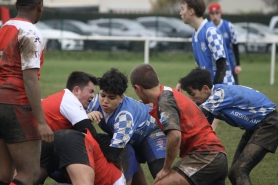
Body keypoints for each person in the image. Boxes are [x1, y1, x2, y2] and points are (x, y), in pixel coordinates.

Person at [130, 63, 228, 185]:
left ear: (138, 88)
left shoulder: (164, 101)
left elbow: (175, 136)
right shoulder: (167, 93)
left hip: (206, 156)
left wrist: (165, 169)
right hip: (217, 156)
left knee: (161, 183)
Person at [179, 67, 278, 185]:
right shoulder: (212, 100)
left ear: (205, 89)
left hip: (269, 124)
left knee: (239, 171)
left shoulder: (219, 95)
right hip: (255, 127)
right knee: (233, 174)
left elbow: (193, 114)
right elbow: (200, 126)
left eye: (192, 94)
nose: (191, 98)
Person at [37, 71, 125, 185]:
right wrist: (110, 155)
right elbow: (89, 131)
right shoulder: (69, 100)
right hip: (33, 141)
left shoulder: (61, 99)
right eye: (91, 91)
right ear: (76, 90)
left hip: (38, 143)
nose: (93, 96)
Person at [0, 1, 54, 185]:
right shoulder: (30, 32)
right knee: (29, 174)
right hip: (17, 105)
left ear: (16, 5)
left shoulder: (3, 28)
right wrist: (41, 122)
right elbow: (30, 78)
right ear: (40, 5)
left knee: (3, 175)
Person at [86, 68, 166, 185]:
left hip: (152, 132)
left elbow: (113, 154)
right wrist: (87, 117)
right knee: (128, 154)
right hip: (130, 137)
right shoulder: (95, 102)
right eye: (103, 95)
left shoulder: (125, 116)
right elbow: (78, 123)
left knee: (161, 177)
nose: (105, 101)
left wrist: (97, 139)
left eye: (111, 98)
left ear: (121, 98)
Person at [176, 0, 235, 92]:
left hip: (224, 90)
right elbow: (200, 70)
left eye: (182, 9)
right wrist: (183, 82)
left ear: (191, 11)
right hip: (211, 90)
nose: (180, 13)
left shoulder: (210, 32)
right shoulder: (195, 36)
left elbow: (222, 65)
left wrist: (214, 90)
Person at [208, 2, 242, 84]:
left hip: (229, 60)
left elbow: (235, 45)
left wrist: (237, 64)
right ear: (209, 15)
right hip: (212, 62)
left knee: (234, 86)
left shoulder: (229, 26)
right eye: (212, 13)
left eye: (217, 13)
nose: (215, 16)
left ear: (220, 13)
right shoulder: (207, 27)